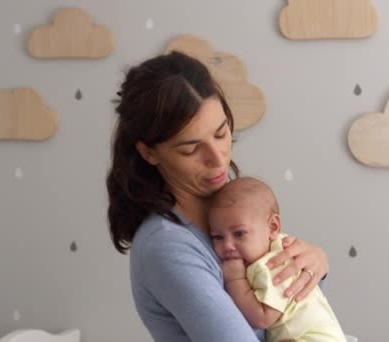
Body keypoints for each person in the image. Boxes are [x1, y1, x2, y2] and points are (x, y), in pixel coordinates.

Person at [106, 50, 329, 341]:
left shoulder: (231, 209)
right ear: (149, 152)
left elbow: (289, 310)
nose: (217, 159)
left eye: (221, 134)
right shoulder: (167, 246)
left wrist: (316, 264)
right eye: (190, 149)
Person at [209, 177, 346, 342]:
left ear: (273, 227)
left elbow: (263, 318)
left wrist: (235, 279)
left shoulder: (272, 264)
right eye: (217, 237)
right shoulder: (278, 246)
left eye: (239, 234)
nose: (227, 245)